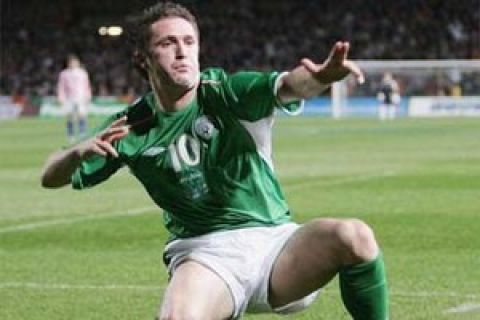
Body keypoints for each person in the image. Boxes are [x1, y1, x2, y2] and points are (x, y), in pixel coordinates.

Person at [41, 2, 388, 319]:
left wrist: (321, 78)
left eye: (189, 42)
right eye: (167, 43)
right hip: (205, 255)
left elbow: (288, 86)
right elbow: (50, 177)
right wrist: (77, 152)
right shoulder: (131, 125)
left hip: (276, 247)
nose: (182, 52)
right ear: (143, 58)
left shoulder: (224, 91)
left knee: (353, 236)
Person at [57, 54, 92, 141]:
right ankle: (71, 134)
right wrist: (61, 97)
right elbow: (61, 86)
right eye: (71, 62)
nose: (73, 64)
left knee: (82, 115)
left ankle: (83, 133)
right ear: (68, 63)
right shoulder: (64, 74)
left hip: (81, 97)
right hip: (69, 98)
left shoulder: (83, 73)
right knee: (70, 117)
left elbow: (86, 85)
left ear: (78, 63)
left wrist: (88, 95)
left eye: (75, 62)